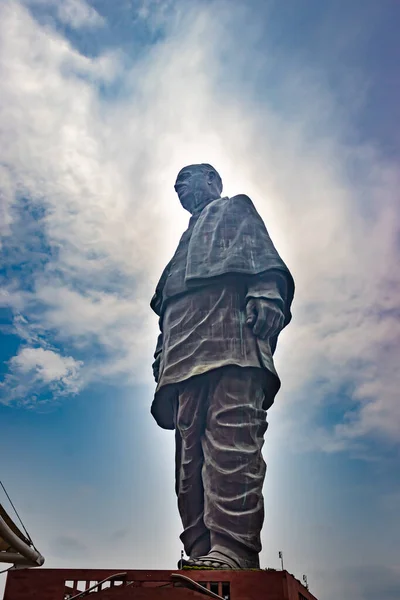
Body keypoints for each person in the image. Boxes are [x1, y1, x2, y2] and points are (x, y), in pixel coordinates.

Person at [150, 164, 294, 569]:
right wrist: (161, 351)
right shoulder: (182, 242)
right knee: (188, 455)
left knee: (231, 436)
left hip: (229, 332)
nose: (180, 187)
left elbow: (263, 259)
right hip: (183, 347)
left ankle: (232, 547)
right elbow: (165, 303)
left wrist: (267, 290)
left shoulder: (234, 209)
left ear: (213, 181)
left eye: (187, 178)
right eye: (175, 184)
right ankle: (201, 547)